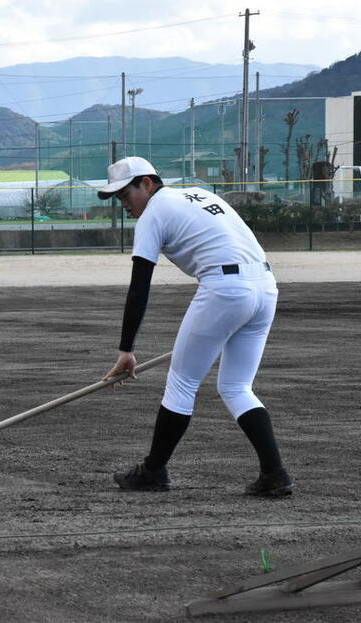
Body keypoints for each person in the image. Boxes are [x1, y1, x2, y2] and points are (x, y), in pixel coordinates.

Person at [98, 157, 293, 497]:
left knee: (182, 383)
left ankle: (153, 472)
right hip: (265, 287)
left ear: (147, 184)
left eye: (125, 195)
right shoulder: (200, 195)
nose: (123, 204)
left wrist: (126, 349)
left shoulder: (154, 212)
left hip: (226, 289)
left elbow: (139, 286)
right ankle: (275, 474)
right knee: (235, 386)